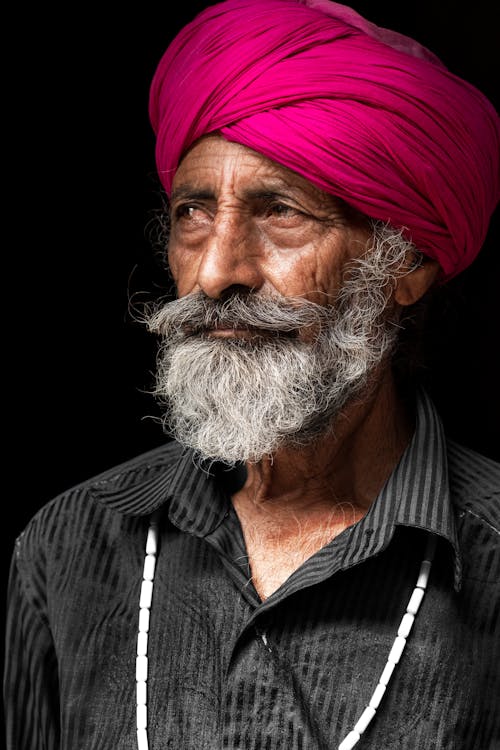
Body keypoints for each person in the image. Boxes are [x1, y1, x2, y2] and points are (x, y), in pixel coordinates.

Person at [4, 1, 500, 748]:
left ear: (410, 264)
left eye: (282, 212)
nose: (215, 272)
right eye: (192, 214)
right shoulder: (69, 541)